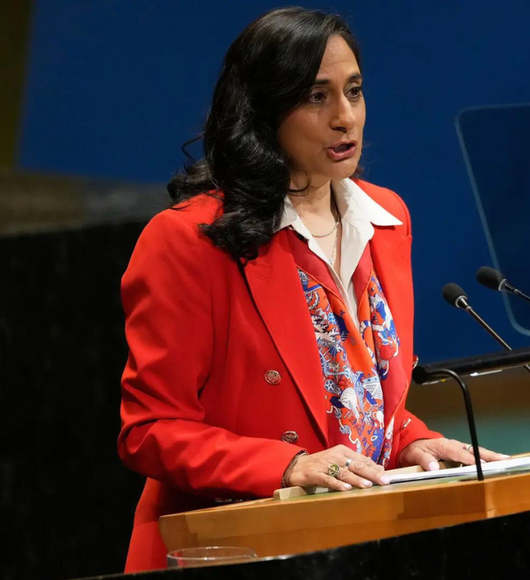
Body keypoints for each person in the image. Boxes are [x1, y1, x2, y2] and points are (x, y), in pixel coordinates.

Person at [116, 7, 504, 572]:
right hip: (230, 548)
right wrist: (285, 464)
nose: (346, 118)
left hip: (354, 542)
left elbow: (361, 391)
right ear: (263, 109)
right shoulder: (189, 240)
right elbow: (150, 431)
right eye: (317, 97)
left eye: (354, 91)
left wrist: (409, 440)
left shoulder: (387, 219)